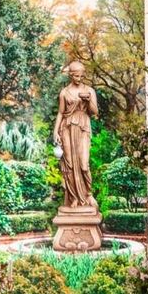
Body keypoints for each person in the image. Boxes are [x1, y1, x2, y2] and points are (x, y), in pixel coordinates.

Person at [52, 60, 98, 208]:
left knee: (84, 164)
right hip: (67, 127)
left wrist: (89, 100)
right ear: (71, 75)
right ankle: (74, 197)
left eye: (82, 76)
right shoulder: (64, 93)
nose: (80, 78)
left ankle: (88, 195)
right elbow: (60, 112)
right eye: (77, 76)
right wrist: (55, 131)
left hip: (83, 126)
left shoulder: (90, 91)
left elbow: (95, 112)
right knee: (70, 165)